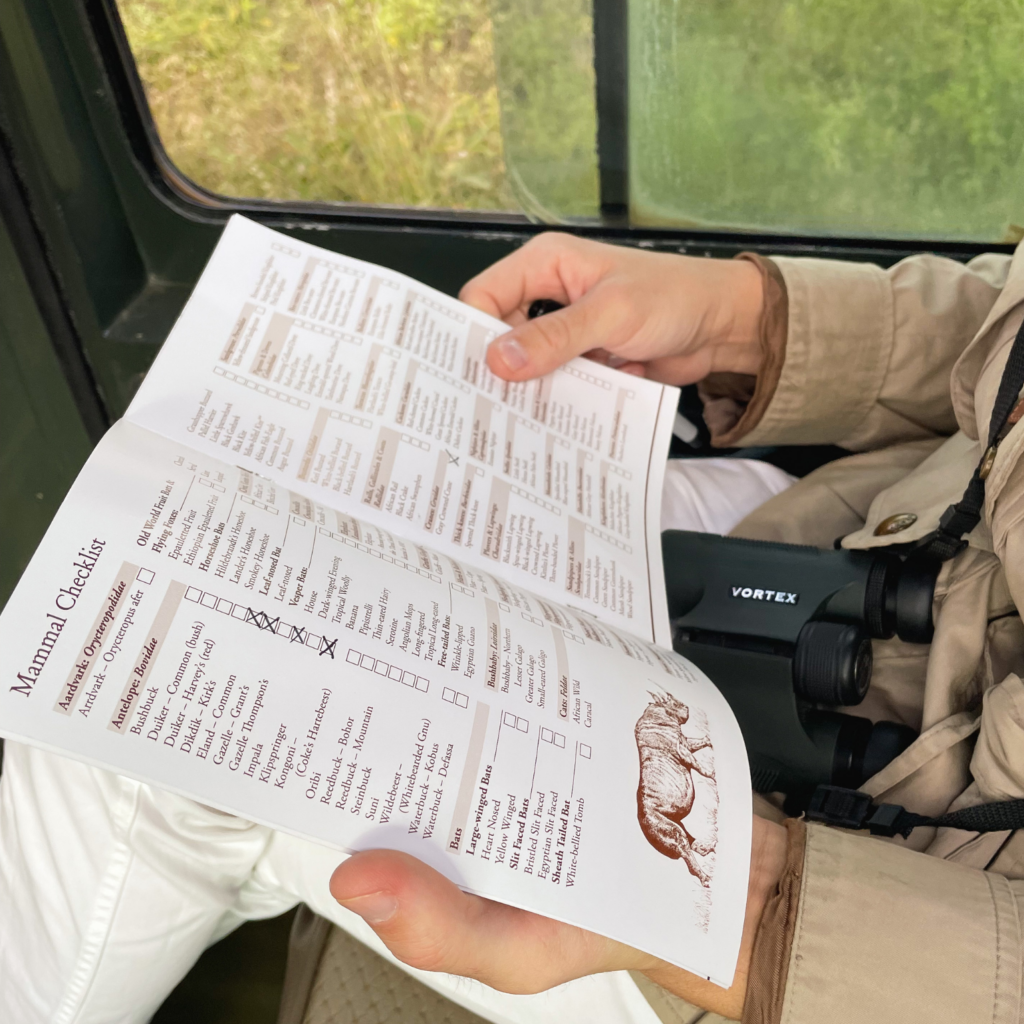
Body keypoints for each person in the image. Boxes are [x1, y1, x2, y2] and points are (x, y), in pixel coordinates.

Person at [3, 229, 1022, 1024]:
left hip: (885, 917)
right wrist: (751, 323)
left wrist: (755, 913)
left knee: (156, 715)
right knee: (310, 500)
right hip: (873, 528)